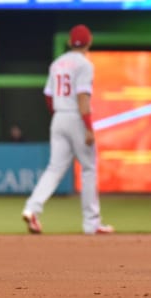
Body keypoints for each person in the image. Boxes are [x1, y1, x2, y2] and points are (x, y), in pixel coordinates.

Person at [22, 24, 114, 235]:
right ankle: (92, 223)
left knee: (54, 169)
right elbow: (83, 97)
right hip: (76, 117)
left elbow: (48, 95)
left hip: (59, 116)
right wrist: (88, 128)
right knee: (89, 168)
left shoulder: (56, 64)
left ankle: (31, 208)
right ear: (89, 42)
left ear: (69, 43)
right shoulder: (85, 65)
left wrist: (57, 114)